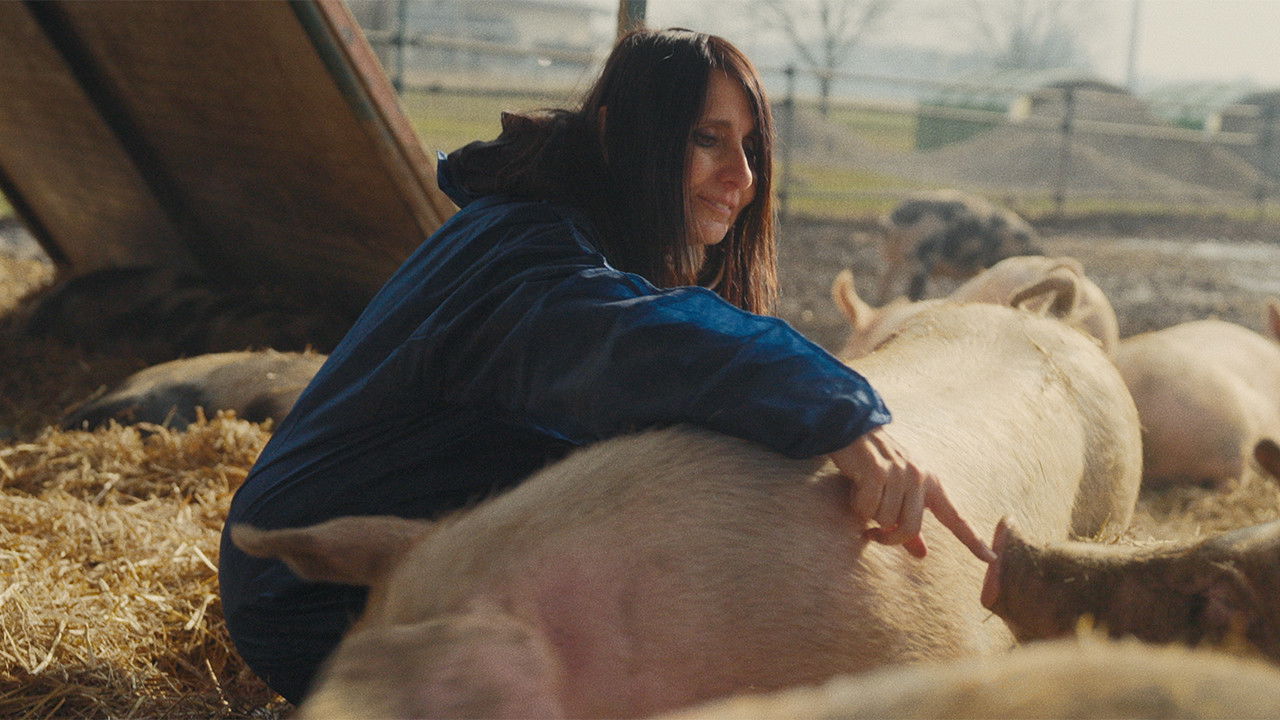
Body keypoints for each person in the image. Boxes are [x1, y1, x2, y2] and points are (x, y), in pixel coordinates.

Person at [218, 27, 995, 705]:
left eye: (751, 148)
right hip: (318, 590)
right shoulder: (525, 251)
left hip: (369, 561)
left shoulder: (560, 232)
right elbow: (629, 341)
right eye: (707, 139)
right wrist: (840, 408)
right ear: (617, 133)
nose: (745, 178)